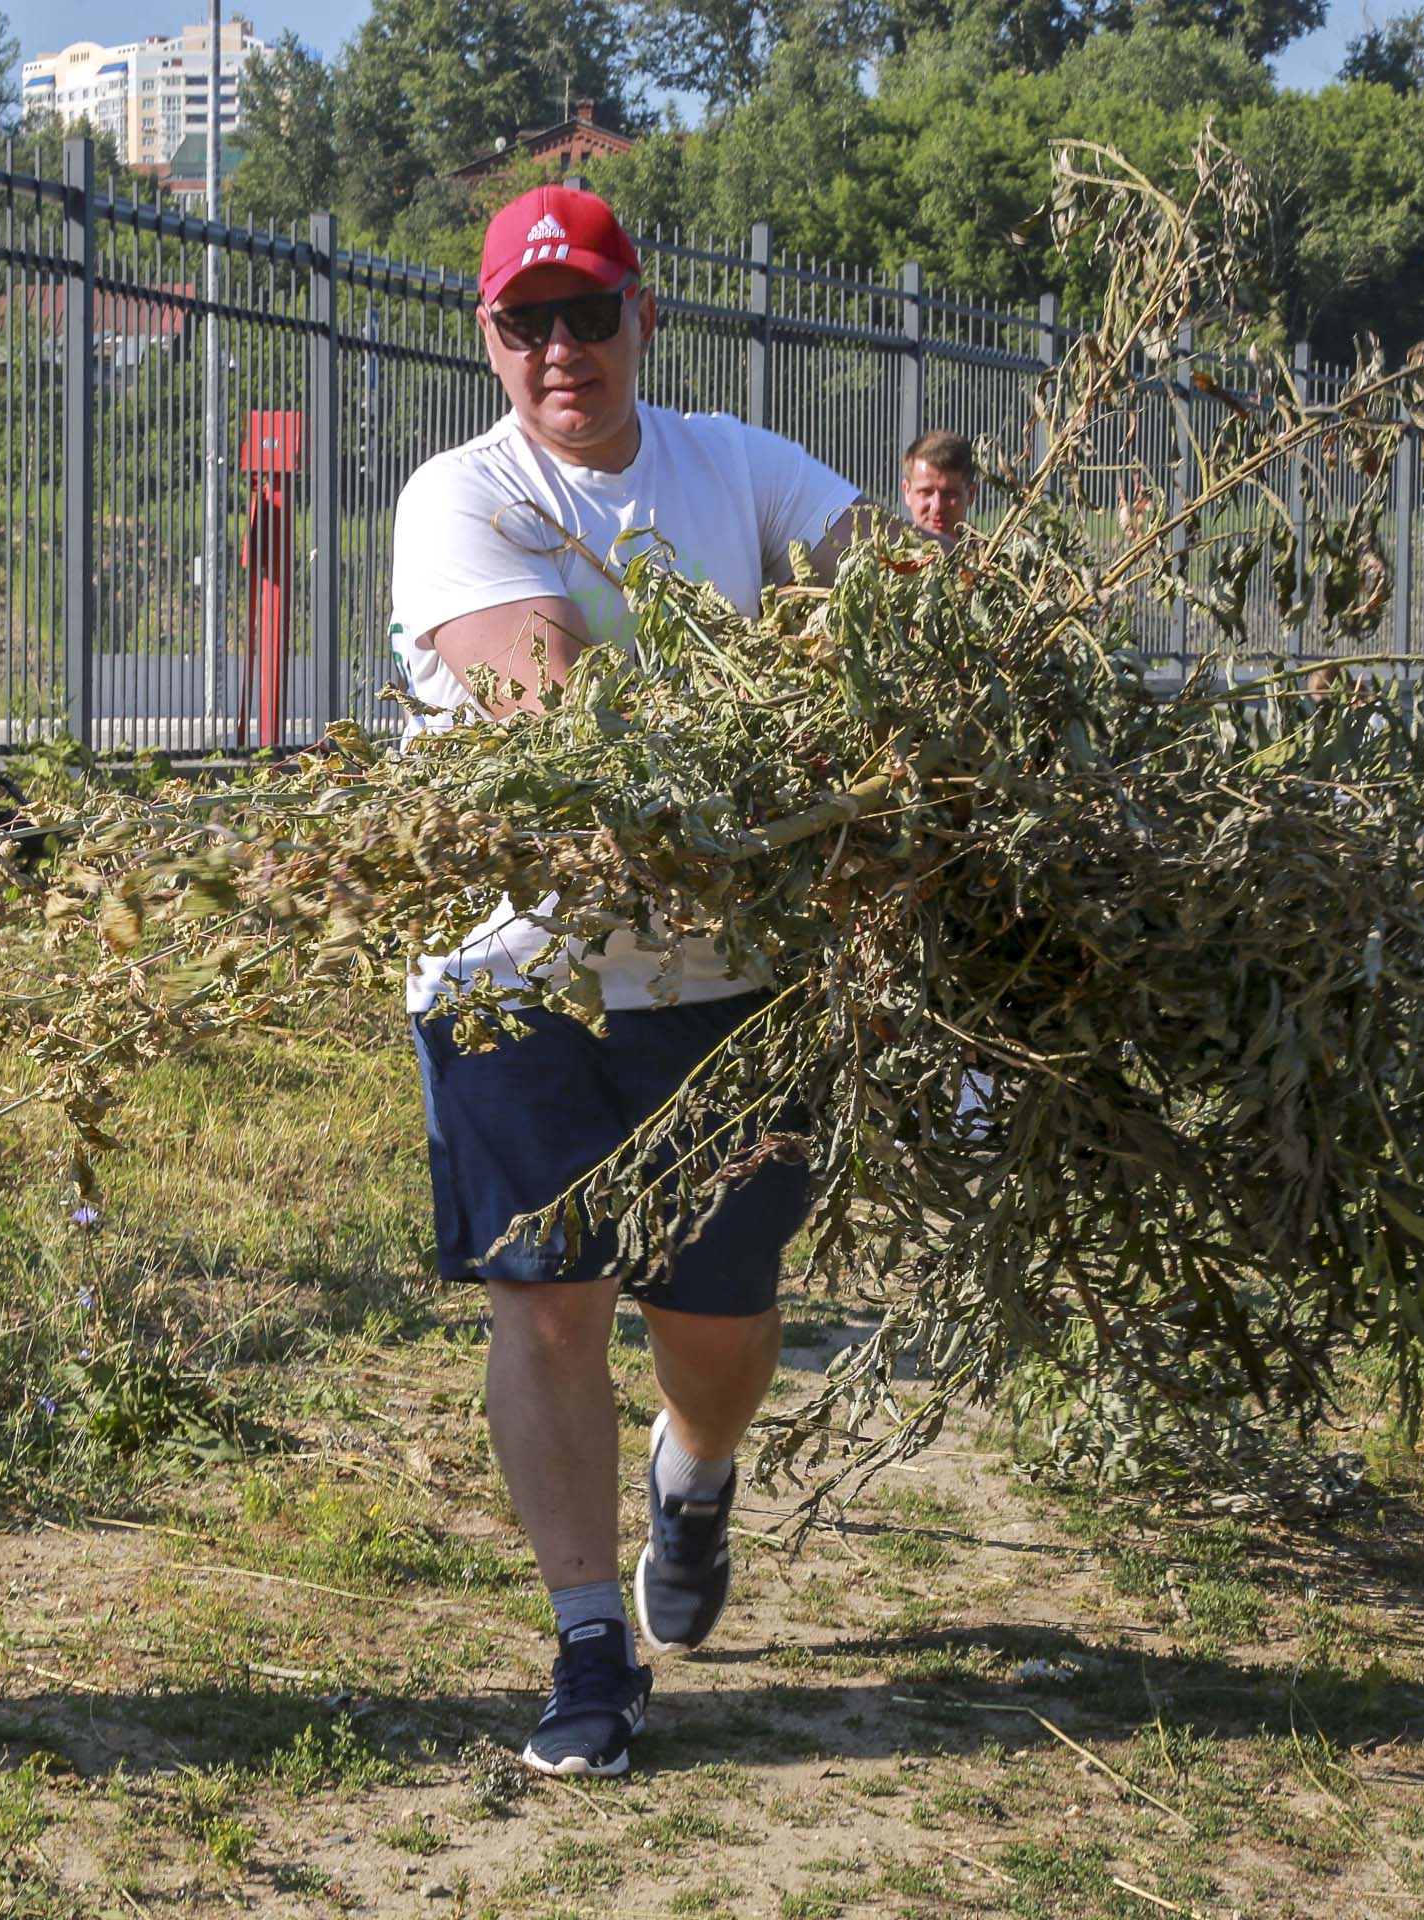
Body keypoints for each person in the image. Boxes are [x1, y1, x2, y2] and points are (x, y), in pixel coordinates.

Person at [391, 184, 869, 1778]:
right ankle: (589, 1642)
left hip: (729, 979)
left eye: (587, 314)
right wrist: (789, 712)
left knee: (716, 1321)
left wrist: (915, 639)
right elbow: (550, 702)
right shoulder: (462, 496)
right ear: (489, 340)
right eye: (525, 323)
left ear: (642, 316)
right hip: (515, 972)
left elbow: (887, 595)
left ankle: (696, 1472)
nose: (560, 350)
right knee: (547, 1301)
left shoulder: (740, 465)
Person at [901, 429, 978, 542]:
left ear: (971, 494)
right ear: (907, 491)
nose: (937, 507)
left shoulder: (994, 553)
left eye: (949, 494)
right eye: (926, 492)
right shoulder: (881, 551)